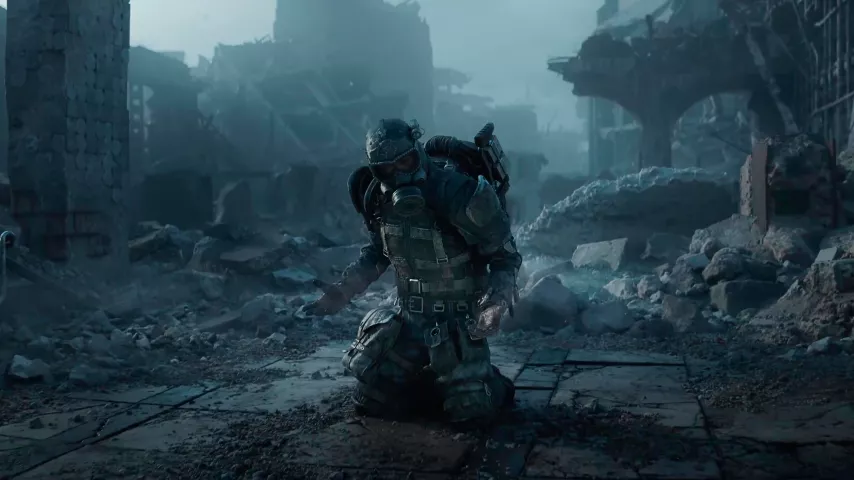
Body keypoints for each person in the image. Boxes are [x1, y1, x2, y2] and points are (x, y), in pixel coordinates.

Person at [301, 118, 521, 424]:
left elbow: (504, 257)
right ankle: (437, 384)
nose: (399, 174)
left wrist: (495, 304)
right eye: (387, 169)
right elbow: (377, 253)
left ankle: (487, 384)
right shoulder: (377, 197)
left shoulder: (459, 193)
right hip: (408, 317)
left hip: (457, 319)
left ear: (417, 151)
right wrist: (343, 291)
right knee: (371, 399)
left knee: (471, 410)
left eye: (405, 161)